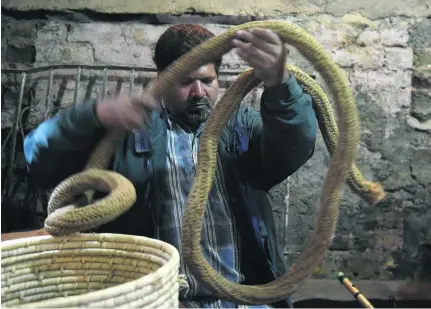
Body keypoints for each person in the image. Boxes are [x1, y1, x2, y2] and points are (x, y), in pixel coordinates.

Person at [23, 24, 317, 308]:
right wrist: (93, 116)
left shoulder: (240, 123)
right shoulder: (126, 129)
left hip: (243, 298)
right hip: (157, 299)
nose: (199, 92)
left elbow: (292, 150)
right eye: (186, 82)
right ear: (162, 79)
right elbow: (40, 159)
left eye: (208, 80)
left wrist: (281, 85)